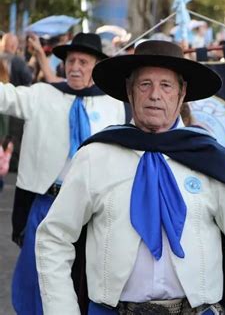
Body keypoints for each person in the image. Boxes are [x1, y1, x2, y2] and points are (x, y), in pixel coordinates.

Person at [35, 40, 225, 314]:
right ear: (130, 92)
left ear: (182, 94)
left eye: (166, 86)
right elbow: (54, 237)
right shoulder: (96, 157)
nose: (155, 95)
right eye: (145, 84)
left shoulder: (211, 161)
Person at [0, 32, 129, 315]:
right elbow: (6, 96)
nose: (75, 67)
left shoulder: (112, 105)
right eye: (71, 61)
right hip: (46, 203)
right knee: (36, 274)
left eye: (83, 62)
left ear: (96, 67)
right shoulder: (43, 94)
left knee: (85, 275)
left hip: (92, 209)